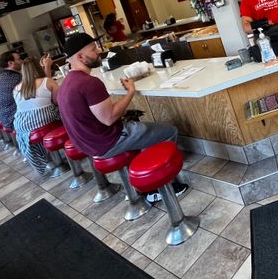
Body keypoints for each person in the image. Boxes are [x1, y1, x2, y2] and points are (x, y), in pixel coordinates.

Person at [57, 33, 186, 202]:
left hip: (89, 145)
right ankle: (157, 185)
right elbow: (109, 118)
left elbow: (95, 114)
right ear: (81, 57)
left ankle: (143, 175)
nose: (99, 52)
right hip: (108, 141)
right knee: (169, 131)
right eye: (93, 49)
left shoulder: (67, 83)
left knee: (138, 123)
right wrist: (130, 92)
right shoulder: (89, 83)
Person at [12, 57, 61, 176]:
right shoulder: (48, 81)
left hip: (21, 125)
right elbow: (58, 102)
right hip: (44, 121)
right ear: (39, 67)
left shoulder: (16, 89)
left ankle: (48, 160)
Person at [0, 51, 23, 130]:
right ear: (10, 63)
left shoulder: (2, 78)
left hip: (5, 120)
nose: (21, 61)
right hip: (14, 121)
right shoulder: (16, 78)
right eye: (19, 59)